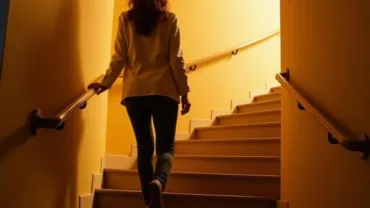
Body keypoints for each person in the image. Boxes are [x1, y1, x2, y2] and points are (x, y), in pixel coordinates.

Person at [88, 0, 190, 207]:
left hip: (135, 92)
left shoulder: (125, 19)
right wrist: (185, 92)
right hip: (164, 91)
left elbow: (119, 56)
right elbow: (176, 60)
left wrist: (106, 82)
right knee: (166, 148)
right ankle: (158, 181)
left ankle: (147, 199)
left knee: (144, 146)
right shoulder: (169, 19)